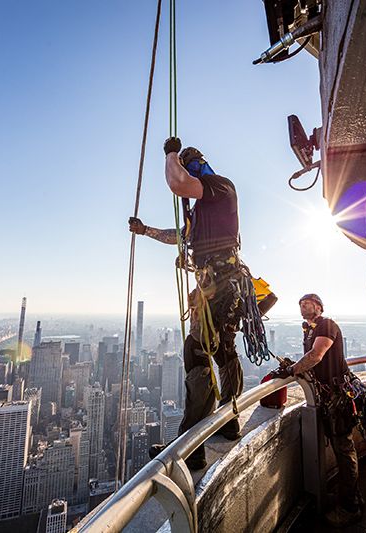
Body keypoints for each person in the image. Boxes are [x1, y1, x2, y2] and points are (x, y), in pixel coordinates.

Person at [129, 137, 245, 470]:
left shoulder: (220, 188)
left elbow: (177, 184)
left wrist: (171, 154)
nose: (190, 169)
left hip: (220, 287)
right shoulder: (202, 214)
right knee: (223, 350)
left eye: (191, 164)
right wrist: (145, 230)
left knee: (197, 351)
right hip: (218, 286)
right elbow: (178, 235)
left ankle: (191, 446)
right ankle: (229, 420)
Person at [283, 293, 365, 525]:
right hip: (329, 398)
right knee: (340, 447)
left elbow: (317, 355)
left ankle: (351, 507)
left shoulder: (326, 324)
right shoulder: (309, 330)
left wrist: (293, 370)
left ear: (319, 307)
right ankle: (349, 497)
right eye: (300, 304)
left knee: (343, 448)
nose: (302, 307)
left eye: (307, 303)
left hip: (338, 398)